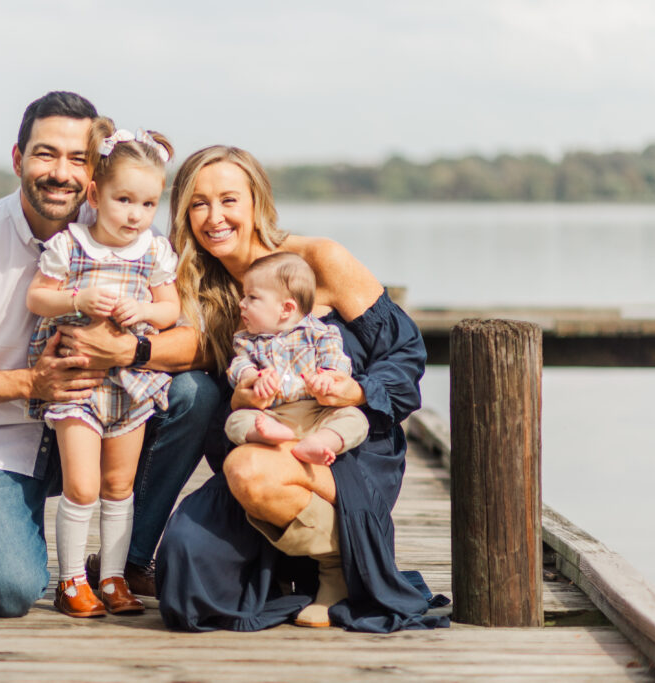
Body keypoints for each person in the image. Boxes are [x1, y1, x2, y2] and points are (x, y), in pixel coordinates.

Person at [0, 92, 219, 619]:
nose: (60, 172)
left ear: (96, 174)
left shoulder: (125, 224)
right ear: (18, 159)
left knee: (195, 393)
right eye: (46, 154)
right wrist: (31, 383)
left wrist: (128, 347)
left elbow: (191, 341)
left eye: (77, 158)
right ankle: (61, 570)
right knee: (12, 589)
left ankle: (124, 565)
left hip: (108, 413)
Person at [155, 145, 449, 633]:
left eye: (229, 200)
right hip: (269, 439)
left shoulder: (318, 261)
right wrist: (243, 397)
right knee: (185, 577)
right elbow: (191, 368)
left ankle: (350, 558)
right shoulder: (197, 291)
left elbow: (407, 355)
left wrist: (354, 392)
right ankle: (334, 556)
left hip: (346, 445)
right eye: (198, 203)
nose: (214, 217)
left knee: (249, 472)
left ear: (256, 203)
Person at [25, 119, 179, 617]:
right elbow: (37, 297)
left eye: (148, 204)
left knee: (119, 487)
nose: (136, 215)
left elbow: (170, 308)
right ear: (95, 193)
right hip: (77, 381)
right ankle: (70, 581)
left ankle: (111, 577)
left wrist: (149, 314)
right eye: (124, 200)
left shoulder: (154, 250)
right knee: (83, 486)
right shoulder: (71, 245)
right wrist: (78, 296)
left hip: (131, 386)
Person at [224, 251, 368, 473]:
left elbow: (336, 359)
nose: (242, 303)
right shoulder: (247, 341)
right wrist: (253, 379)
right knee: (235, 421)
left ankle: (320, 442)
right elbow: (239, 366)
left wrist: (327, 377)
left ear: (286, 308)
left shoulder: (320, 333)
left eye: (252, 297)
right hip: (273, 414)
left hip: (318, 411)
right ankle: (268, 435)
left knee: (356, 419)